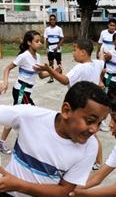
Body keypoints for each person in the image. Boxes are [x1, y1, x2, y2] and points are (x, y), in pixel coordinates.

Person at [36, 39, 105, 169]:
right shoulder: (96, 64)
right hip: (91, 106)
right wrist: (102, 53)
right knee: (90, 134)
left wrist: (49, 70)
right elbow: (102, 61)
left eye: (75, 50)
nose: (73, 53)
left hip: (79, 106)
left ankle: (92, 161)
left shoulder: (80, 67)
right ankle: (97, 161)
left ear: (83, 52)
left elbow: (65, 79)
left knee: (72, 130)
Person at [0, 30, 49, 154]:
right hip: (21, 91)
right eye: (37, 41)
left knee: (14, 117)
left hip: (26, 92)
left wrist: (53, 71)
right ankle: (27, 146)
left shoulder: (38, 57)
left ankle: (2, 143)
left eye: (40, 41)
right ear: (29, 42)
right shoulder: (24, 56)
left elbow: (41, 75)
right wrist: (5, 83)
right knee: (30, 116)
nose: (40, 43)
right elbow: (7, 68)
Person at [44, 14, 64, 84]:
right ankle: (51, 77)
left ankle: (61, 77)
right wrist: (46, 48)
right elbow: (46, 39)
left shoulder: (59, 29)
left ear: (56, 20)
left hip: (57, 48)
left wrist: (57, 46)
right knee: (50, 63)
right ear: (49, 21)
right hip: (50, 48)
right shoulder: (47, 29)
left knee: (58, 62)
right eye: (51, 19)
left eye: (53, 19)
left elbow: (62, 39)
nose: (52, 21)